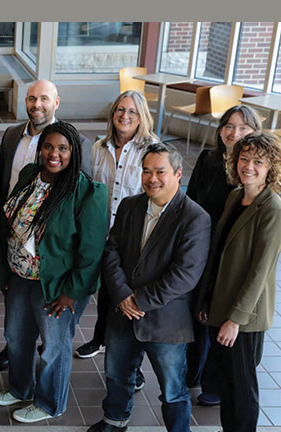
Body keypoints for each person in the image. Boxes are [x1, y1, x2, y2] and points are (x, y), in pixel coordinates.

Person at [85, 143, 211, 432]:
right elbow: (110, 252)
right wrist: (123, 295)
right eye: (146, 171)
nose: (151, 178)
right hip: (123, 312)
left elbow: (185, 274)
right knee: (116, 372)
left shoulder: (195, 218)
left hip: (165, 321)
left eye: (160, 171)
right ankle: (115, 418)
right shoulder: (129, 205)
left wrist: (138, 301)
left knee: (172, 389)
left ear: (178, 175)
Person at [0, 121, 107, 423]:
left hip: (56, 285)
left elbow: (92, 251)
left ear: (74, 152)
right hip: (20, 276)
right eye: (48, 146)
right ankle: (20, 389)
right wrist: (6, 270)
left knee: (54, 346)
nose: (54, 154)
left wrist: (71, 293)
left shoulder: (86, 191)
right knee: (16, 336)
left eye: (62, 149)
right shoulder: (30, 175)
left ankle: (49, 403)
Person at [192, 132, 281, 432]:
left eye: (258, 162)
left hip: (244, 317)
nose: (249, 166)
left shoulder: (273, 209)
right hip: (222, 306)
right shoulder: (236, 196)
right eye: (244, 158)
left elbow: (259, 272)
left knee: (242, 385)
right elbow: (218, 253)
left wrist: (234, 319)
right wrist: (207, 301)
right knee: (227, 379)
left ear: (271, 167)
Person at [0, 79, 92, 370]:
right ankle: (18, 373)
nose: (37, 104)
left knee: (52, 340)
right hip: (17, 256)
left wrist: (72, 288)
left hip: (52, 266)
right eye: (31, 98)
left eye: (44, 98)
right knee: (17, 329)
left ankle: (48, 387)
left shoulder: (79, 146)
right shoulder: (12, 136)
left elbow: (81, 217)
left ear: (56, 103)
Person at [76, 90, 159, 394]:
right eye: (120, 110)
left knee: (128, 300)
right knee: (107, 293)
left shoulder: (152, 149)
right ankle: (100, 339)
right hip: (102, 234)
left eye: (132, 112)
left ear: (142, 117)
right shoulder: (98, 148)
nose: (125, 116)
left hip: (134, 238)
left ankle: (132, 369)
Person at [185, 106, 261, 406]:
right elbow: (191, 200)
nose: (234, 133)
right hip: (202, 245)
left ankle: (214, 382)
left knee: (220, 315)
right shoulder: (208, 159)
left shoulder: (252, 169)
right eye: (228, 126)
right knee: (197, 311)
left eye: (243, 127)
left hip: (231, 252)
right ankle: (192, 371)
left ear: (254, 132)